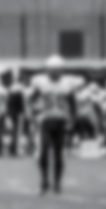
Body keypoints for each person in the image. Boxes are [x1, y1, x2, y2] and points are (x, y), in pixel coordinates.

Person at [29, 54, 75, 194]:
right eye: (51, 69)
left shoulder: (67, 84)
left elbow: (73, 104)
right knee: (43, 152)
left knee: (58, 153)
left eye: (56, 70)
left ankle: (57, 183)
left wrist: (72, 120)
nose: (54, 72)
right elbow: (31, 99)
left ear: (61, 70)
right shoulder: (41, 83)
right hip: (46, 120)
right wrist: (33, 114)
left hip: (61, 121)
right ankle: (44, 181)